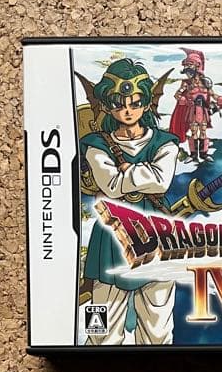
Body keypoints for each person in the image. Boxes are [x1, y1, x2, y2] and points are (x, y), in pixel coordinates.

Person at [77, 57, 180, 344]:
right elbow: (111, 186)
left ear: (146, 104)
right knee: (101, 331)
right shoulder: (96, 144)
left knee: (158, 330)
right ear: (107, 105)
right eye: (119, 103)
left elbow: (161, 181)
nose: (127, 110)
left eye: (135, 103)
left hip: (157, 237)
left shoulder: (165, 143)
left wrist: (126, 174)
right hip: (111, 237)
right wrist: (142, 174)